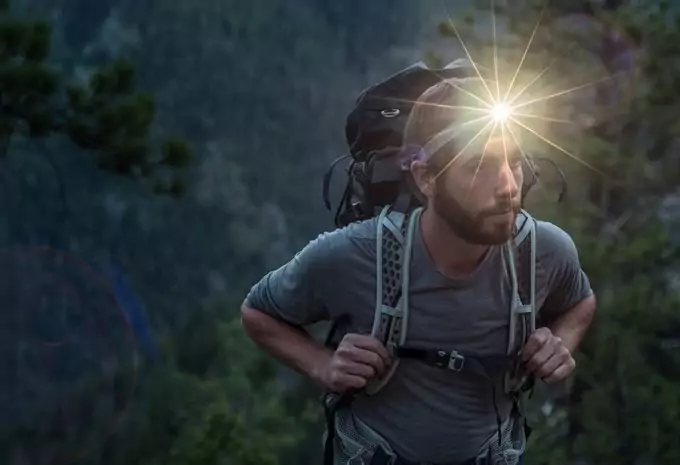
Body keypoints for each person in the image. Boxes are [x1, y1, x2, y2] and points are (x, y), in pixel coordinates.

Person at [240, 75, 597, 465]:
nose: (509, 186)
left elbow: (580, 301)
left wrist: (561, 342)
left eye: (514, 161)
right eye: (480, 167)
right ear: (426, 178)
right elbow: (258, 312)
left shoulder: (542, 251)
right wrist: (322, 366)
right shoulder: (355, 255)